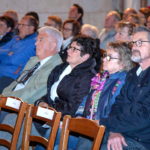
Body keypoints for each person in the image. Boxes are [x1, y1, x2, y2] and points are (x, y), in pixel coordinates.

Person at [69, 41, 134, 150]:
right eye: (105, 56)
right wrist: (79, 115)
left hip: (103, 130)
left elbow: (114, 111)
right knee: (54, 137)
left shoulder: (122, 82)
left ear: (123, 63)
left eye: (109, 57)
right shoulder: (101, 78)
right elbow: (86, 99)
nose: (104, 59)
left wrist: (91, 123)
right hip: (88, 125)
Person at [100, 26, 150, 150]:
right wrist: (114, 131)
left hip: (142, 140)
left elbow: (144, 116)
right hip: (123, 131)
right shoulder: (133, 73)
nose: (134, 46)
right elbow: (118, 105)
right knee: (86, 140)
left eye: (140, 42)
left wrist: (111, 126)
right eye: (133, 43)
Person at [2, 26, 63, 104]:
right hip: (10, 100)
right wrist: (4, 95)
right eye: (36, 40)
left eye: (41, 40)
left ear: (53, 45)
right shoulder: (33, 60)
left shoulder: (56, 67)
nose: (36, 43)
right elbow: (17, 82)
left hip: (22, 106)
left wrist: (8, 98)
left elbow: (33, 92)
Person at [0, 15, 38, 92]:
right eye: (19, 24)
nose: (19, 27)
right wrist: (9, 53)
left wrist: (9, 53)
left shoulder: (34, 42)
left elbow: (14, 60)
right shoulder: (16, 38)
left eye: (23, 25)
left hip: (12, 77)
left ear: (32, 28)